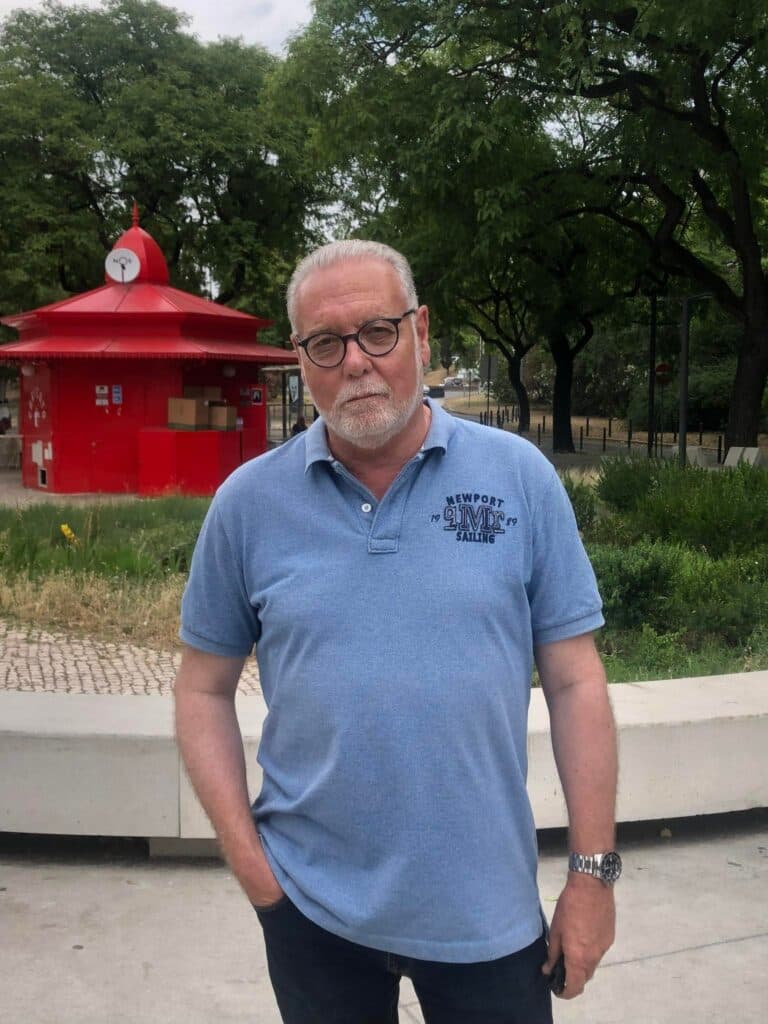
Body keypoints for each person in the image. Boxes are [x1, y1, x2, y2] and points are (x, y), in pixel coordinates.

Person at [174, 240, 619, 1024]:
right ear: (300, 358)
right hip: (310, 911)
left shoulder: (519, 479)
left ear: (421, 331)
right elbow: (201, 690)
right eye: (325, 343)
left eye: (378, 332)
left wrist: (592, 875)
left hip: (487, 912)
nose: (356, 362)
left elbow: (577, 681)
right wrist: (256, 874)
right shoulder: (247, 505)